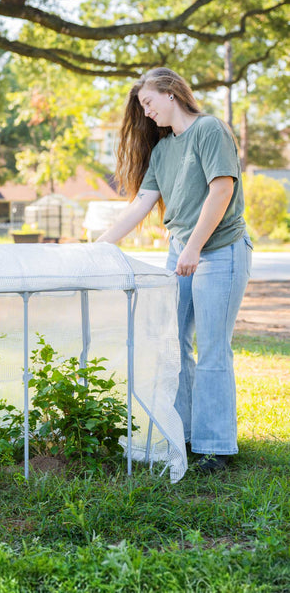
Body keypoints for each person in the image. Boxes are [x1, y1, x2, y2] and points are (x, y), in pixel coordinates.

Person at [97, 67, 252, 473]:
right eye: (142, 107)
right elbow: (140, 205)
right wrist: (96, 249)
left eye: (148, 102)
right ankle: (181, 434)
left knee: (213, 349)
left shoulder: (209, 130)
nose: (146, 112)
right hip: (182, 251)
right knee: (174, 344)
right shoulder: (163, 151)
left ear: (169, 92)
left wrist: (196, 248)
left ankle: (216, 447)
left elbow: (222, 189)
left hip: (219, 251)